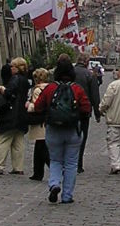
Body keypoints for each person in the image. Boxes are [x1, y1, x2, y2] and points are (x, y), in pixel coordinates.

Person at [32, 55, 92, 203]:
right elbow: (86, 108)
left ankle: (54, 184)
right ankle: (67, 196)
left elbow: (38, 106)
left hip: (53, 129)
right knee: (71, 163)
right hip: (72, 130)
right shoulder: (77, 89)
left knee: (55, 160)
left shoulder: (50, 88)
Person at [0, 57, 29, 175]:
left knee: (3, 139)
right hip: (21, 114)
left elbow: (9, 92)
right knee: (18, 142)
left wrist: (2, 89)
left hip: (11, 114)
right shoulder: (25, 80)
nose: (11, 68)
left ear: (17, 68)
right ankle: (18, 167)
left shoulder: (15, 79)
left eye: (12, 66)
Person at [72, 53, 101, 173]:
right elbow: (95, 96)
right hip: (84, 110)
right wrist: (97, 114)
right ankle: (78, 163)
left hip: (69, 109)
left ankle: (69, 161)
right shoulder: (90, 75)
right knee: (82, 136)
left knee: (70, 135)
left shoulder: (70, 72)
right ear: (87, 62)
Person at [26, 67, 50, 180]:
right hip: (47, 120)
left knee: (42, 149)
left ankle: (53, 169)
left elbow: (37, 106)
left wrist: (29, 105)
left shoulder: (37, 90)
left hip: (40, 122)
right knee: (39, 147)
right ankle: (37, 172)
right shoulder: (49, 88)